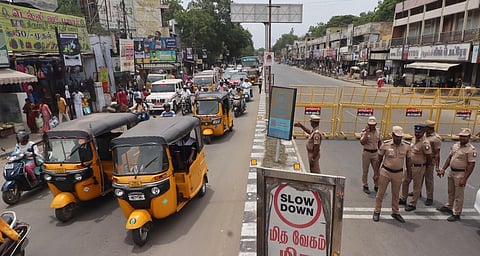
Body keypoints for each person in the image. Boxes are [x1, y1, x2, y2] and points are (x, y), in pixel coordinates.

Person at [372, 126, 411, 223]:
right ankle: (377, 211)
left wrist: (409, 175)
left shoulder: (406, 146)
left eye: (400, 137)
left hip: (398, 173)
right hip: (385, 172)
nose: (398, 139)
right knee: (380, 193)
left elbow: (409, 162)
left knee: (396, 194)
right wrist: (376, 173)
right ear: (392, 135)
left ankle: (395, 212)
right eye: (396, 136)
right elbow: (379, 159)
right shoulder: (386, 145)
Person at [436, 128, 476, 222]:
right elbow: (450, 157)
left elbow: (471, 165)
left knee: (459, 195)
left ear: (469, 137)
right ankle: (449, 206)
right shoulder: (456, 145)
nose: (462, 138)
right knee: (451, 191)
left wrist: (465, 179)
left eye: (465, 137)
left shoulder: (471, 150)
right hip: (451, 172)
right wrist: (443, 169)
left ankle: (456, 213)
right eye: (461, 136)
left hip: (461, 173)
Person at [399, 124, 432, 212]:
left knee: (416, 186)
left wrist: (424, 166)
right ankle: (403, 198)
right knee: (405, 182)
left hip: (418, 168)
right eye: (416, 132)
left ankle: (413, 204)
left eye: (419, 132)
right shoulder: (414, 139)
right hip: (410, 166)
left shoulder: (425, 143)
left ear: (423, 132)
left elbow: (429, 157)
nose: (417, 134)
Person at [359, 116, 382, 194]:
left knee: (377, 170)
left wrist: (381, 151)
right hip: (367, 153)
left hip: (375, 153)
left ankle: (377, 185)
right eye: (370, 124)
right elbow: (362, 142)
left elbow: (379, 142)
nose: (372, 126)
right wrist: (367, 133)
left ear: (376, 124)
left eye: (373, 124)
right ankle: (365, 185)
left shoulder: (378, 132)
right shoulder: (364, 132)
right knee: (365, 170)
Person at [423, 120, 442, 205]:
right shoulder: (424, 135)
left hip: (430, 160)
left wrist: (437, 167)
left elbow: (437, 153)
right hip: (421, 159)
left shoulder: (436, 138)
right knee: (419, 177)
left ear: (428, 128)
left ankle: (429, 197)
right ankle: (417, 192)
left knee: (428, 179)